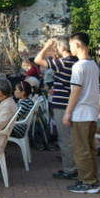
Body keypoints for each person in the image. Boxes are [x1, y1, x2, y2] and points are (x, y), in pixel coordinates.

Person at [34, 37, 79, 180]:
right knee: (72, 138)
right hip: (73, 104)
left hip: (62, 105)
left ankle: (70, 169)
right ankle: (75, 166)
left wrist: (47, 45)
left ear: (63, 48)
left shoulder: (63, 63)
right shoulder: (76, 62)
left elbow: (37, 60)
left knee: (65, 139)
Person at [63, 32, 100, 194]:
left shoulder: (79, 66)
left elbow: (75, 91)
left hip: (81, 113)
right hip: (92, 112)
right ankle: (91, 179)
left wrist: (67, 112)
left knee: (81, 149)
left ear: (77, 45)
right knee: (89, 149)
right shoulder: (93, 65)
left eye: (71, 44)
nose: (70, 47)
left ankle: (88, 181)